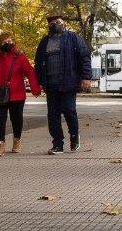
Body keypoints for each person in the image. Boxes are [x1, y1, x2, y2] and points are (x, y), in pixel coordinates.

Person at [34, 14, 92, 154]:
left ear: (64, 24)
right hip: (51, 84)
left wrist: (86, 77)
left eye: (57, 22)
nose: (54, 24)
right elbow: (38, 63)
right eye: (51, 23)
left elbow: (84, 57)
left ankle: (74, 134)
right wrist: (40, 81)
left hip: (68, 82)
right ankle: (57, 144)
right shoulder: (45, 42)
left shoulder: (73, 38)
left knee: (69, 110)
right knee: (53, 115)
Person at [0, 31, 41, 156]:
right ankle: (0, 145)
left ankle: (17, 141)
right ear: (0, 43)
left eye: (10, 41)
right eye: (4, 41)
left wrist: (35, 89)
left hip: (17, 94)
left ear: (14, 42)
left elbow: (30, 72)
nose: (8, 43)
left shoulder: (19, 56)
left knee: (16, 119)